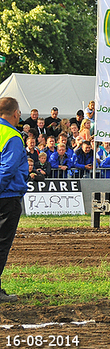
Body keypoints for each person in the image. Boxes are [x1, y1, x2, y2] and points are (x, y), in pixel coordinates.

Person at [0, 97, 28, 303]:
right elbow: (7, 170)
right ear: (16, 113)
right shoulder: (13, 136)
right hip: (6, 198)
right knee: (1, 245)